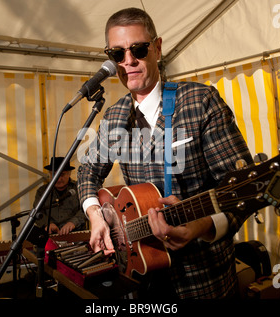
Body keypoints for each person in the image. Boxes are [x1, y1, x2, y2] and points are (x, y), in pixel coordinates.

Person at [77, 7, 254, 299]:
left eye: (138, 49)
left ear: (157, 48)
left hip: (201, 279)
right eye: (117, 54)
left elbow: (241, 190)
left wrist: (199, 226)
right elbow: (87, 172)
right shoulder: (114, 116)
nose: (128, 61)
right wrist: (95, 214)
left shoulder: (199, 102)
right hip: (140, 276)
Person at [34, 157, 86, 235]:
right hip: (50, 236)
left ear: (69, 173)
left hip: (75, 234)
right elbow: (37, 212)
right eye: (54, 174)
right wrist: (48, 224)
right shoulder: (42, 191)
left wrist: (73, 222)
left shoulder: (79, 188)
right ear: (49, 174)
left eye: (62, 174)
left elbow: (86, 209)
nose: (58, 179)